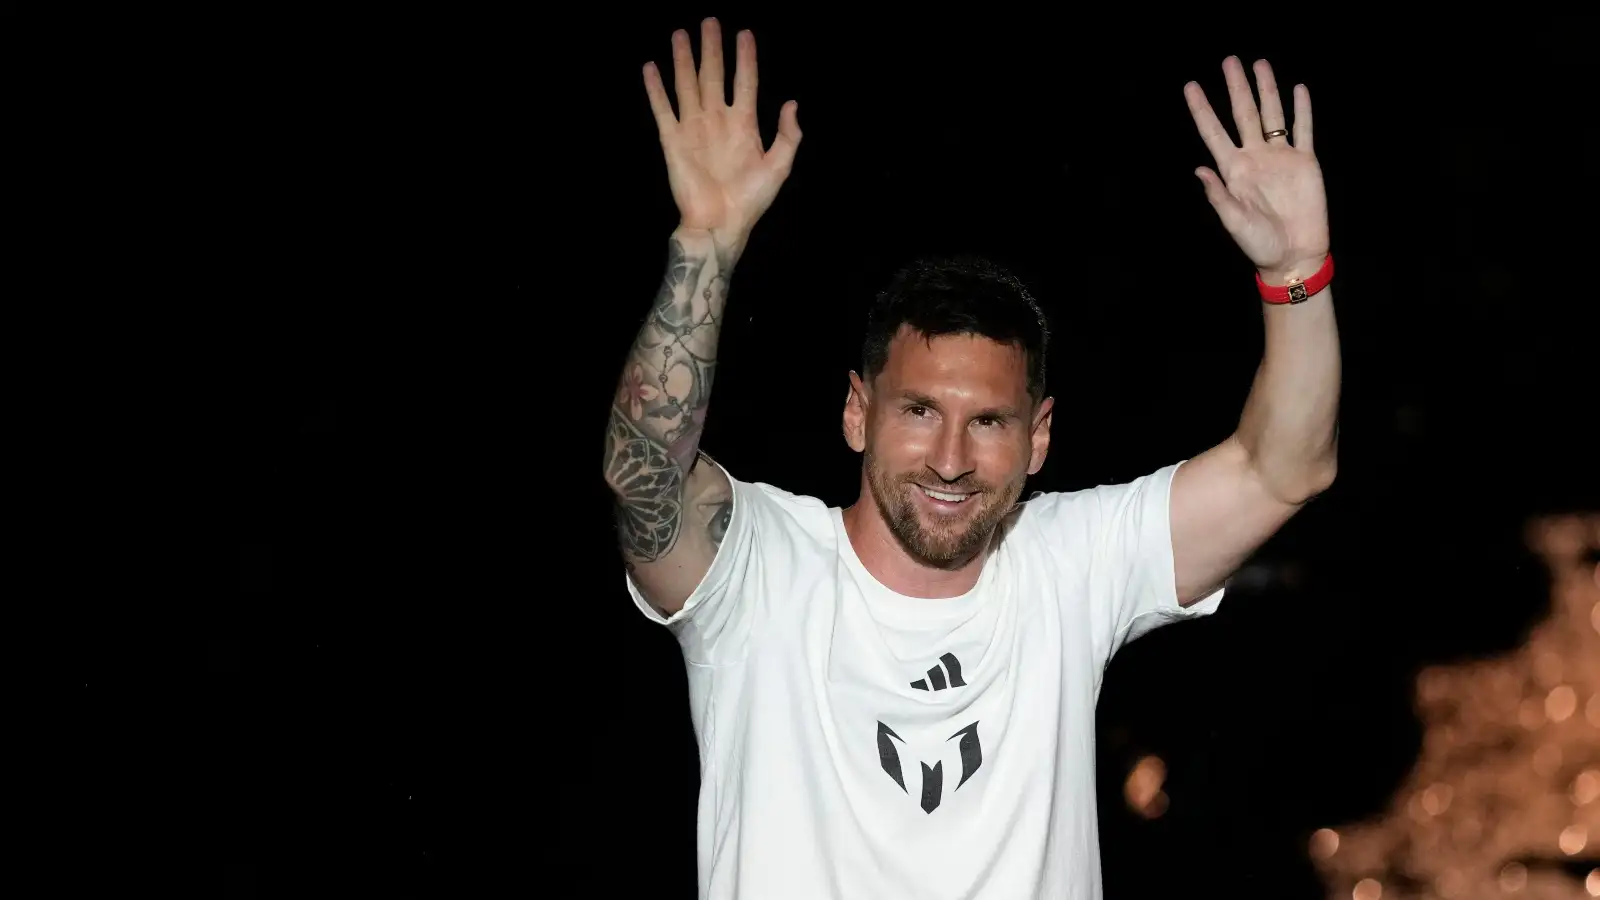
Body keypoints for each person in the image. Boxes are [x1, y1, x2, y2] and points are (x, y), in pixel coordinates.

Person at [602, 18, 1339, 900]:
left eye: (989, 422)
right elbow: (642, 467)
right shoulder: (759, 572)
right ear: (856, 412)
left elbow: (1282, 468)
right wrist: (708, 244)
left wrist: (1298, 270)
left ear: (1039, 439)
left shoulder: (1069, 567)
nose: (950, 458)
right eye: (918, 411)